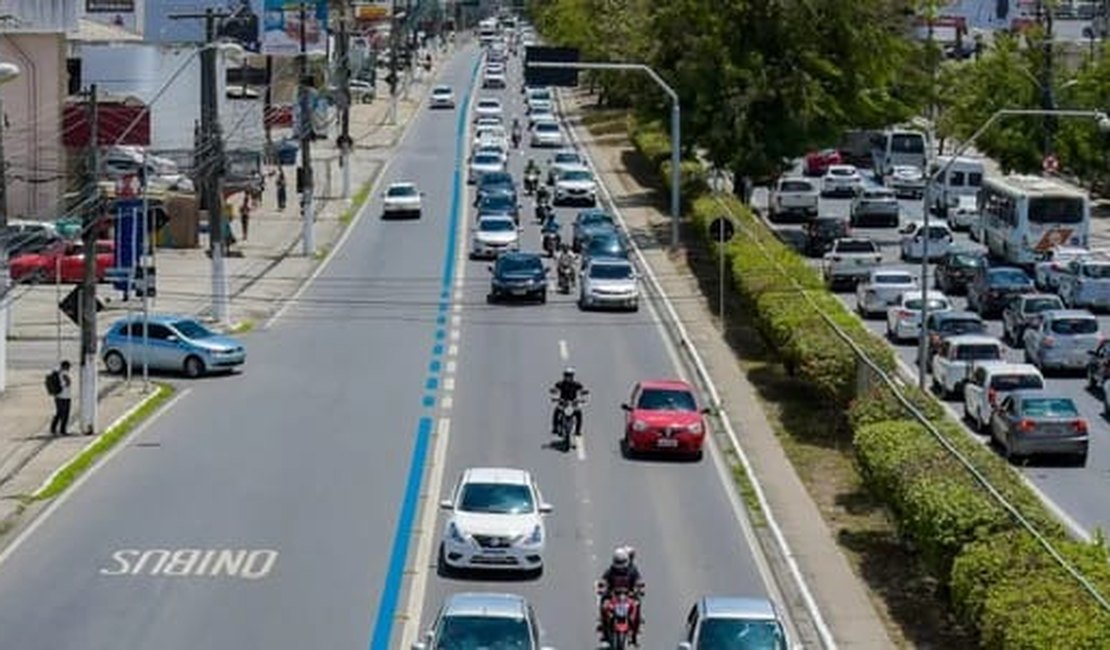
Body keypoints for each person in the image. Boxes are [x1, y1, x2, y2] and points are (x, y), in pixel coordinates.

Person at [598, 546, 644, 643]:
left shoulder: (632, 570)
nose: (620, 565)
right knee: (603, 604)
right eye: (618, 561)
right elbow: (604, 580)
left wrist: (638, 588)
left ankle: (635, 629)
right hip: (613, 597)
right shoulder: (611, 571)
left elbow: (638, 581)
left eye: (622, 561)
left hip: (628, 596)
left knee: (637, 604)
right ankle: (604, 627)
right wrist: (602, 587)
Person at [550, 367, 586, 436]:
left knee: (579, 413)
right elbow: (555, 389)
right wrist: (554, 394)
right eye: (566, 375)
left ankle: (578, 430)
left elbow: (582, 390)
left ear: (572, 376)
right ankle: (555, 428)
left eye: (570, 375)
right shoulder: (560, 384)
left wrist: (582, 395)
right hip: (563, 402)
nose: (568, 377)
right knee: (556, 411)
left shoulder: (576, 384)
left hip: (573, 403)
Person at [49, 360, 73, 436]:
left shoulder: (58, 373)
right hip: (64, 397)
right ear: (65, 367)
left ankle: (54, 428)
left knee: (60, 413)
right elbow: (68, 383)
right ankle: (61, 430)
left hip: (59, 396)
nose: (69, 368)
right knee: (64, 414)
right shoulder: (64, 374)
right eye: (68, 367)